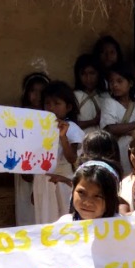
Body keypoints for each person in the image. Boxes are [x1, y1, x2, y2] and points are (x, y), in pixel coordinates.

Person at [33, 81, 84, 224]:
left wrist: (63, 137)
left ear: (68, 107)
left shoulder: (72, 128)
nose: (51, 108)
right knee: (44, 221)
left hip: (62, 183)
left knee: (63, 221)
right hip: (42, 182)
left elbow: (72, 158)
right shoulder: (40, 129)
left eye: (56, 103)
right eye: (47, 103)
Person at [100, 62, 135, 176]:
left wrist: (122, 129)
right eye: (112, 82)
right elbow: (109, 129)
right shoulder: (108, 103)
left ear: (130, 83)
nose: (115, 85)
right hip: (116, 151)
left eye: (119, 81)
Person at [15, 72, 50, 227]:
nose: (37, 96)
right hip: (24, 167)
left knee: (45, 209)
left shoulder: (51, 117)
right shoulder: (18, 116)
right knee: (27, 210)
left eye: (42, 92)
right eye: (33, 91)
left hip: (44, 168)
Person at [73, 54, 107, 135]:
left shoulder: (106, 96)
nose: (88, 78)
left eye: (92, 73)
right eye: (83, 74)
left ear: (99, 74)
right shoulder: (74, 96)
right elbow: (69, 124)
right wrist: (93, 122)